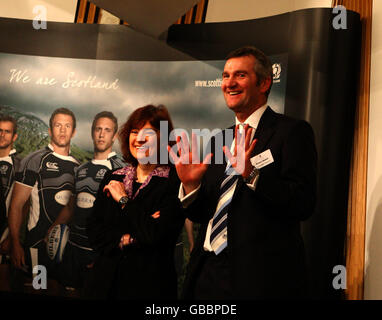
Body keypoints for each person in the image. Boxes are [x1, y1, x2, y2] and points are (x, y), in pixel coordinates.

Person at [169, 46, 317, 299]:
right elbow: (204, 213)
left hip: (258, 278)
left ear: (264, 83)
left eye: (240, 75)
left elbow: (303, 204)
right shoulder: (220, 139)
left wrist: (252, 175)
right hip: (207, 273)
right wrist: (192, 187)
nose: (229, 83)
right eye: (226, 76)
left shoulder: (291, 132)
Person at [84, 104, 184, 299]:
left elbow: (155, 235)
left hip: (149, 288)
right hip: (103, 285)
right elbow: (94, 230)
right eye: (134, 131)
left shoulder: (175, 182)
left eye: (149, 133)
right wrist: (127, 238)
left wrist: (123, 200)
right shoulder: (113, 177)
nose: (139, 139)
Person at [8, 107, 79, 292]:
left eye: (67, 126)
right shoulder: (34, 160)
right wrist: (15, 242)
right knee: (38, 290)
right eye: (58, 125)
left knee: (58, 290)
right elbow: (16, 206)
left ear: (74, 131)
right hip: (36, 248)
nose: (62, 130)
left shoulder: (79, 167)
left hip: (64, 249)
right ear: (50, 130)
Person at [53, 111, 125, 292]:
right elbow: (71, 207)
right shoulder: (81, 169)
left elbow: (123, 217)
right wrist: (52, 228)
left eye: (107, 130)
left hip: (98, 254)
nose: (101, 134)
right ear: (92, 132)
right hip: (72, 248)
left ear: (114, 136)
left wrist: (105, 253)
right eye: (98, 129)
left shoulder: (121, 171)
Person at [0, 115, 20, 265]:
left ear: (14, 137)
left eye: (7, 131)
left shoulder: (19, 165)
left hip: (4, 232)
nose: (2, 135)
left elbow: (22, 205)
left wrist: (11, 237)